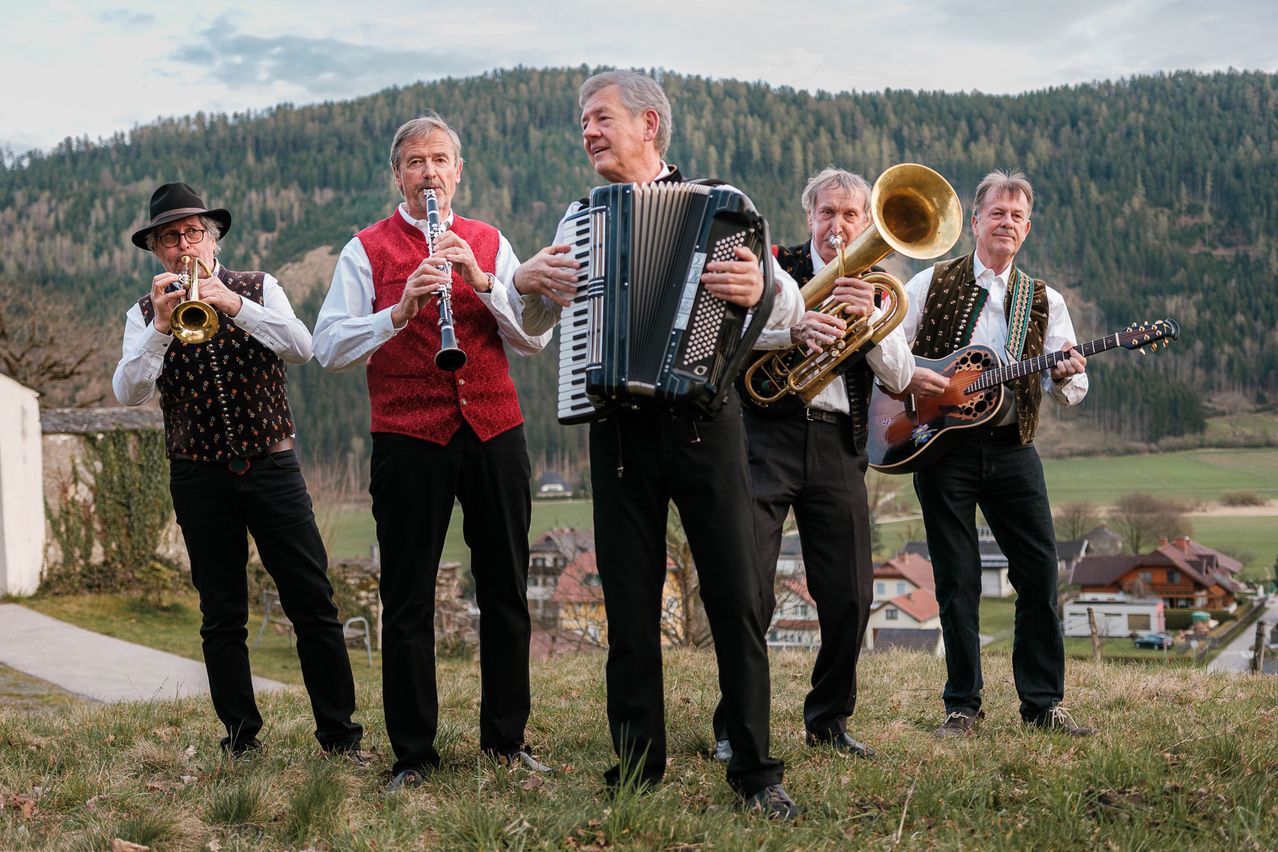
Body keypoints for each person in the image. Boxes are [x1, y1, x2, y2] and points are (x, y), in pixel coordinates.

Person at [514, 70, 801, 819]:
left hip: (706, 424)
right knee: (631, 607)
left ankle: (756, 770)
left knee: (737, 598)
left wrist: (759, 293)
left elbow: (785, 309)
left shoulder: (725, 208)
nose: (588, 131)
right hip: (615, 433)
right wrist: (528, 283)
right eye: (582, 121)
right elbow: (539, 329)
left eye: (600, 117)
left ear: (649, 124)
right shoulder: (580, 220)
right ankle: (638, 765)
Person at [313, 112, 552, 791]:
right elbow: (327, 345)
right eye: (415, 162)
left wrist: (481, 280)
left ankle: (506, 741)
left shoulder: (489, 241)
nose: (428, 173)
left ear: (458, 171)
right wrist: (398, 312)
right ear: (398, 174)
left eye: (439, 160)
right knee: (408, 597)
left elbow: (533, 339)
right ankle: (413, 755)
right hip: (407, 437)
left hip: (495, 431)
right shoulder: (367, 250)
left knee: (505, 588)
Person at [113, 181, 364, 759]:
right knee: (221, 613)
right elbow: (127, 391)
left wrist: (233, 305)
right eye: (171, 237)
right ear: (157, 250)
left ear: (213, 237)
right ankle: (240, 738)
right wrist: (158, 328)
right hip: (199, 476)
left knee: (312, 601)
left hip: (272, 465)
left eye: (193, 232)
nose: (184, 245)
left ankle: (340, 735)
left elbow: (302, 347)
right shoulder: (142, 314)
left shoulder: (259, 286)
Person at [711, 168, 945, 762]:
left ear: (866, 221)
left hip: (840, 445)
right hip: (766, 437)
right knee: (750, 590)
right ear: (808, 215)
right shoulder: (772, 264)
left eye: (850, 216)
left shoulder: (878, 284)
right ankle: (733, 726)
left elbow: (896, 376)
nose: (838, 227)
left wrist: (867, 320)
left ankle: (830, 719)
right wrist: (792, 325)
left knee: (850, 595)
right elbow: (729, 333)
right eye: (827, 213)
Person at [900, 169, 1095, 738]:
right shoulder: (928, 284)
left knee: (1038, 572)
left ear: (1026, 229)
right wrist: (918, 385)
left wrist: (1066, 372)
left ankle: (1042, 704)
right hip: (942, 446)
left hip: (1014, 448)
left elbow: (1072, 389)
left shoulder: (1045, 300)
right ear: (975, 221)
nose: (1006, 222)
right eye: (996, 212)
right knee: (957, 578)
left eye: (1017, 215)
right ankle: (961, 707)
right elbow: (891, 353)